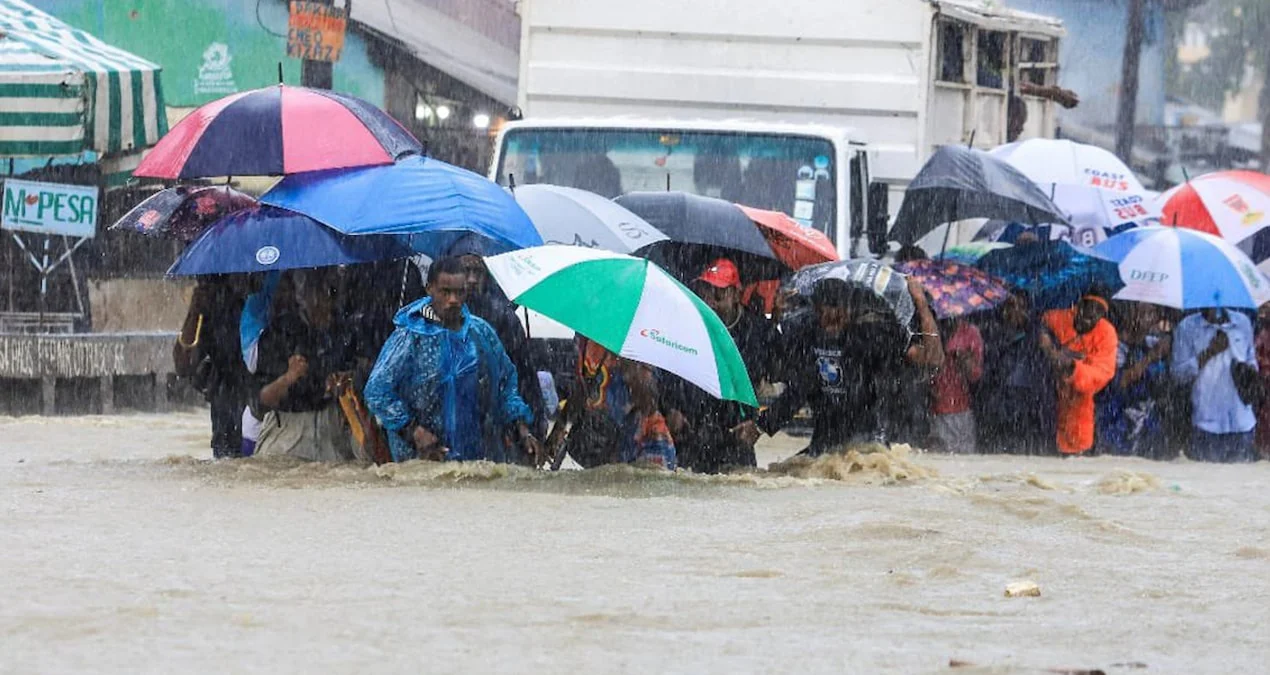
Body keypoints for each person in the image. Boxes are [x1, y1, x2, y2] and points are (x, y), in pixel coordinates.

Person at [364, 257, 541, 464]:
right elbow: (377, 391)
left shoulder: (481, 333)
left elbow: (505, 384)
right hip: (422, 459)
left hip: (479, 459)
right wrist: (414, 432)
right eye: (445, 292)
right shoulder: (409, 337)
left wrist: (522, 431)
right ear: (429, 289)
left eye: (459, 292)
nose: (453, 300)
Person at [757, 273, 944, 455]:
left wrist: (920, 303)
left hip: (869, 447)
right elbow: (790, 385)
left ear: (850, 308)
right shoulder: (807, 337)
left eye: (840, 308)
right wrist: (760, 427)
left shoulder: (873, 336)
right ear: (816, 309)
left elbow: (933, 358)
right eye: (826, 309)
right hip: (824, 445)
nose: (834, 315)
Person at [665, 259, 775, 472]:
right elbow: (671, 369)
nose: (711, 302)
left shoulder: (758, 332)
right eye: (705, 292)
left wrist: (761, 425)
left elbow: (792, 382)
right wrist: (671, 408)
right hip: (692, 435)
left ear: (735, 294)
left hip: (737, 437)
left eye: (717, 294)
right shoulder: (689, 326)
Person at [448, 234, 549, 449]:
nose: (473, 280)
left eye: (479, 272)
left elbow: (519, 375)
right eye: (466, 271)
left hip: (493, 422)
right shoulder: (431, 318)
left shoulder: (502, 318)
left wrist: (530, 427)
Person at [252, 269, 357, 462]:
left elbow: (357, 376)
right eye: (316, 292)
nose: (322, 302)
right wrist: (289, 378)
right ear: (302, 297)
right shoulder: (279, 333)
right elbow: (262, 399)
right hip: (288, 429)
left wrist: (345, 382)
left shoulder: (345, 331)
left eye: (329, 293)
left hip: (333, 426)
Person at [545, 336, 677, 470]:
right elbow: (583, 386)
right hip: (602, 442)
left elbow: (649, 404)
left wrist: (631, 364)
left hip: (644, 447)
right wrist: (560, 427)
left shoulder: (634, 341)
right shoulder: (586, 337)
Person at [174, 275, 249, 459]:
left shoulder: (260, 301)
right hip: (226, 411)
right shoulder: (211, 308)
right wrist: (195, 312)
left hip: (258, 406)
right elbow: (183, 365)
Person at [1172, 308, 1258, 463]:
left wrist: (1247, 370)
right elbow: (1178, 375)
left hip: (1242, 422)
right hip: (1206, 423)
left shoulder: (1243, 322)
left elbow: (1252, 361)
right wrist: (1210, 352)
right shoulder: (1187, 327)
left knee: (1240, 483)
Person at [1038, 290, 1119, 455]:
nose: (1090, 315)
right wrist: (1046, 344)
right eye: (1088, 308)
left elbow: (1103, 372)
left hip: (1081, 404)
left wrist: (1072, 366)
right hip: (1046, 393)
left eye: (1098, 312)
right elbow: (1042, 325)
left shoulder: (1107, 333)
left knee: (1076, 455)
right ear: (1078, 306)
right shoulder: (1058, 318)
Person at [976, 290, 1055, 455]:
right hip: (997, 404)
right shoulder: (991, 331)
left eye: (1021, 306)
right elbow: (987, 368)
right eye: (1011, 306)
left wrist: (1045, 344)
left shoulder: (1040, 333)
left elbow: (1049, 367)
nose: (1015, 311)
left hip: (1031, 405)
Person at [1096, 302, 1171, 458]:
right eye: (1142, 313)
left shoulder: (1153, 342)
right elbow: (1121, 381)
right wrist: (1150, 357)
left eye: (1152, 313)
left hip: (1146, 420)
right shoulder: (1114, 344)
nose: (1148, 318)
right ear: (1130, 314)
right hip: (1116, 416)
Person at [928, 316, 983, 453]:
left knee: (963, 460)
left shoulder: (970, 332)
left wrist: (962, 357)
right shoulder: (930, 327)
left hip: (961, 408)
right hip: (935, 407)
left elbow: (975, 374)